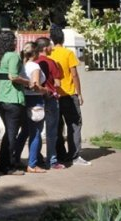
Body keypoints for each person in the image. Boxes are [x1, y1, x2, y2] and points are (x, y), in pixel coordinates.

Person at [49, 25, 90, 166]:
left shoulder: (49, 54)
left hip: (54, 95)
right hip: (69, 94)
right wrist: (79, 93)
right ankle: (74, 155)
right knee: (74, 124)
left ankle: (60, 154)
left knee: (57, 126)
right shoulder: (68, 53)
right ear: (63, 38)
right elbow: (74, 74)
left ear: (51, 39)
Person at [0, 31, 28, 176]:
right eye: (14, 40)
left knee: (9, 131)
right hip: (12, 97)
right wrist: (28, 82)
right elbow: (13, 76)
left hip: (0, 97)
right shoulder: (12, 56)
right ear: (11, 42)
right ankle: (6, 165)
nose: (16, 42)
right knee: (12, 133)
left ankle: (4, 159)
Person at [32, 37, 65, 170]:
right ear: (45, 48)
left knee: (36, 131)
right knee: (51, 131)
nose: (53, 48)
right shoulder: (51, 62)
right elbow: (57, 83)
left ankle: (37, 158)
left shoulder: (33, 62)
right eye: (51, 46)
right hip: (50, 97)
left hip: (36, 98)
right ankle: (51, 160)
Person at [18, 42, 48, 174]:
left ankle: (15, 157)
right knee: (36, 133)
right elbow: (35, 84)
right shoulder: (35, 66)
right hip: (35, 99)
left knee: (24, 131)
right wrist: (45, 90)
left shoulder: (22, 66)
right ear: (35, 53)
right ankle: (32, 164)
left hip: (24, 99)